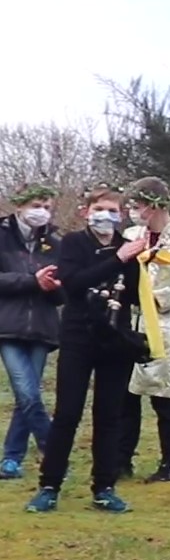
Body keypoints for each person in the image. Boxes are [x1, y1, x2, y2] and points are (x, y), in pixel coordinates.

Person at [27, 186, 141, 513]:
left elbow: (135, 294)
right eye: (99, 209)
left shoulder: (129, 247)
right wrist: (117, 259)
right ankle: (49, 485)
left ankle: (104, 486)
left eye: (112, 210)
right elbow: (73, 283)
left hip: (115, 338)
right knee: (68, 412)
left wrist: (140, 260)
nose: (106, 216)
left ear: (121, 214)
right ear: (86, 212)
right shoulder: (74, 243)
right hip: (78, 336)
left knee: (109, 414)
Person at [117, 178, 170, 485]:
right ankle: (122, 459)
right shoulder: (131, 236)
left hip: (163, 329)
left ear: (154, 206)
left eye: (138, 205)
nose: (134, 211)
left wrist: (152, 299)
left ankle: (169, 463)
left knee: (163, 399)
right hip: (128, 325)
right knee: (126, 397)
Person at [0, 182, 62, 482]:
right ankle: (54, 453)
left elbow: (63, 292)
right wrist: (31, 280)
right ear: (20, 206)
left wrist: (54, 287)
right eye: (37, 206)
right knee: (27, 391)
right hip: (7, 326)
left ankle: (12, 459)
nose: (42, 212)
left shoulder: (55, 242)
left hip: (42, 328)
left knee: (28, 395)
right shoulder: (2, 236)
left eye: (47, 207)